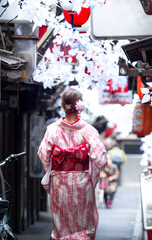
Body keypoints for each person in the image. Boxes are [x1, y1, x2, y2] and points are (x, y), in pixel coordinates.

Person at [37, 87, 107, 240]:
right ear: (79, 106)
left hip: (59, 184)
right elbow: (101, 159)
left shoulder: (52, 130)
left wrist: (53, 171)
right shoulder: (88, 131)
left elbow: (43, 154)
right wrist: (91, 173)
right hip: (82, 184)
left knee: (61, 227)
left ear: (62, 106)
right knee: (84, 225)